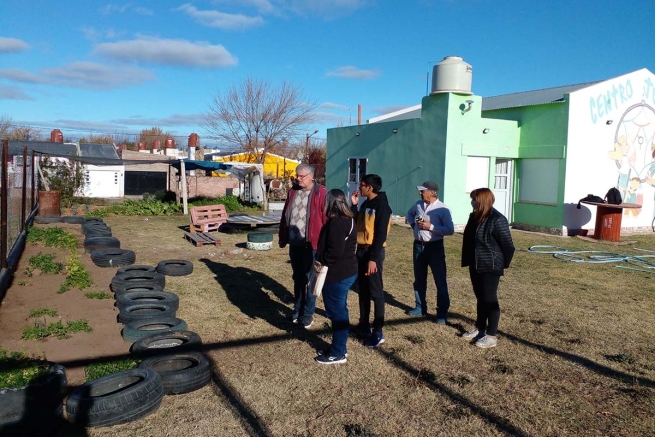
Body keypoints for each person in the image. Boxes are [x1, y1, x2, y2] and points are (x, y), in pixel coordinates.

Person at [461, 188, 515, 349]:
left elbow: (508, 246)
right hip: (475, 264)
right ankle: (480, 328)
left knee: (489, 299)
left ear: (482, 201)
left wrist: (501, 264)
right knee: (480, 297)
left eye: (474, 199)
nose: (472, 202)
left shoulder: (498, 219)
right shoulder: (474, 217)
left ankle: (491, 335)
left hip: (491, 265)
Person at [279, 163, 328, 328]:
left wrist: (324, 244)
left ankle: (308, 314)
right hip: (295, 244)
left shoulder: (321, 193)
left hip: (311, 245)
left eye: (302, 176)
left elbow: (326, 220)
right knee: (298, 278)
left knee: (311, 280)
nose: (298, 178)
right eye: (297, 175)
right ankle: (297, 310)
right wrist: (283, 237)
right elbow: (285, 215)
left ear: (311, 176)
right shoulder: (293, 191)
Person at [314, 189, 358, 364]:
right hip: (347, 271)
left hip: (337, 274)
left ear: (330, 204)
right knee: (340, 310)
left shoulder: (337, 223)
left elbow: (335, 252)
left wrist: (319, 259)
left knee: (336, 313)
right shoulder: (349, 219)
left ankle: (338, 353)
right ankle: (339, 348)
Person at [350, 174, 392, 348]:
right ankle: (364, 324)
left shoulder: (382, 206)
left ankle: (378, 331)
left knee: (376, 292)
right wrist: (353, 206)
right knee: (363, 290)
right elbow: (357, 223)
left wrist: (373, 258)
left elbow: (380, 234)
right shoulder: (366, 204)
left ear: (371, 187)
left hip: (372, 252)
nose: (360, 187)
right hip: (361, 251)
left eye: (363, 185)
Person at [406, 181, 454, 324]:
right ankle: (420, 307)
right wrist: (413, 224)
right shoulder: (418, 204)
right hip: (418, 246)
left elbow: (450, 229)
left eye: (423, 191)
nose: (420, 193)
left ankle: (442, 313)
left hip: (435, 247)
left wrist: (430, 226)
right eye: (420, 191)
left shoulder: (443, 209)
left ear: (432, 192)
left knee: (440, 280)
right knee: (419, 278)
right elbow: (410, 213)